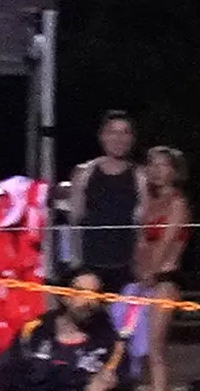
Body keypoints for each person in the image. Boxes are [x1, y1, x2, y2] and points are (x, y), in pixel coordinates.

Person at [125, 144, 193, 391]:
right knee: (137, 349)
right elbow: (141, 242)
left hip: (164, 280)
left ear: (174, 171)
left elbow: (166, 244)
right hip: (143, 280)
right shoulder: (150, 204)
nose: (156, 170)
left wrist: (150, 275)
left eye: (162, 165)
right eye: (151, 164)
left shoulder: (177, 204)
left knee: (155, 349)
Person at [59, 111, 144, 293]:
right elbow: (74, 220)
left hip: (127, 269)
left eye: (125, 132)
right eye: (113, 132)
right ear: (102, 136)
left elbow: (143, 225)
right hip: (88, 266)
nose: (118, 138)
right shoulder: (84, 173)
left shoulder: (140, 175)